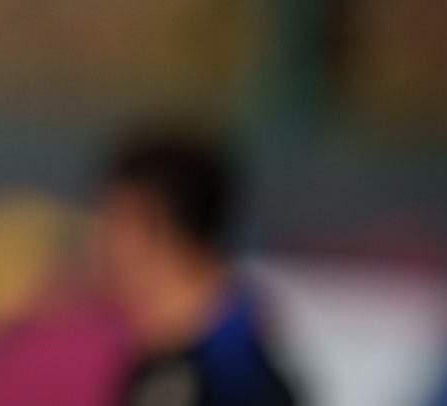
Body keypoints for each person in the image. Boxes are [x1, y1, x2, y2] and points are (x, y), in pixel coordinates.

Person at [93, 127, 298, 406]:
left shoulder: (232, 374)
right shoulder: (159, 360)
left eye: (113, 220)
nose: (100, 239)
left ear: (155, 226)